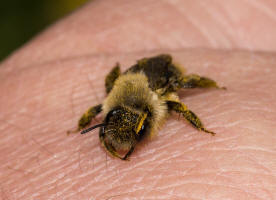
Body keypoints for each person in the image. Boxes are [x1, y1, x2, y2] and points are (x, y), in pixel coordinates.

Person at [1, 0, 275, 199]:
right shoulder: (114, 95)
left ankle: (211, 96)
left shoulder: (157, 97)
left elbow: (175, 101)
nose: (120, 132)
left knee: (181, 89)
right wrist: (78, 126)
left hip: (163, 71)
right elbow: (109, 85)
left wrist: (207, 112)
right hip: (138, 76)